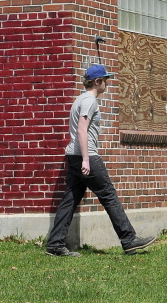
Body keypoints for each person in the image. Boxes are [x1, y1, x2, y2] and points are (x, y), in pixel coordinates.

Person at [45, 64, 156, 257]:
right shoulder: (89, 101)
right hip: (85, 156)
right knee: (109, 195)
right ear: (97, 82)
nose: (107, 83)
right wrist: (87, 160)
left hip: (73, 156)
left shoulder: (79, 99)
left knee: (70, 200)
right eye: (105, 79)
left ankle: (55, 244)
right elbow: (81, 130)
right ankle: (129, 240)